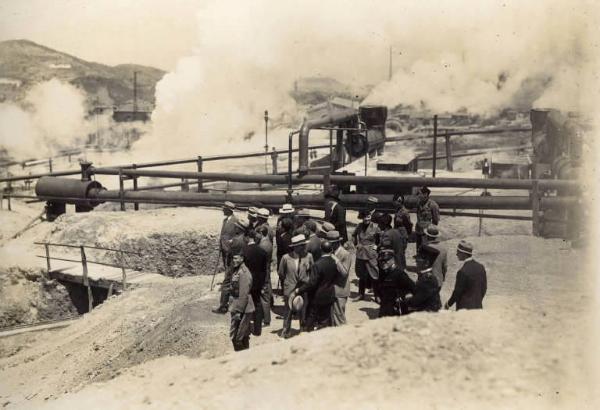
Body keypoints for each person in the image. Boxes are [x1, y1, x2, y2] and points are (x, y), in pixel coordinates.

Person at [294, 240, 339, 331]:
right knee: (325, 320)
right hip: (329, 295)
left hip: (317, 297)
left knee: (311, 318)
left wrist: (299, 290)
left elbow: (312, 283)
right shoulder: (334, 262)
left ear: (321, 250)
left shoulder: (317, 264)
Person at [277, 234, 314, 338]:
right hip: (290, 288)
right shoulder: (286, 258)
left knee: (303, 310)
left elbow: (312, 271)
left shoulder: (309, 256)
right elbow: (281, 273)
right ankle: (286, 331)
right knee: (288, 311)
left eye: (304, 245)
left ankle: (303, 329)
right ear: (295, 246)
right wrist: (288, 282)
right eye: (301, 246)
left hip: (304, 288)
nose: (303, 247)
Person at [445, 241, 487, 310]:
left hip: (464, 309)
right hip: (478, 307)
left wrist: (448, 304)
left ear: (463, 254)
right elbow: (484, 288)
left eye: (458, 252)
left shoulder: (462, 271)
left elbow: (457, 292)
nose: (456, 254)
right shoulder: (481, 267)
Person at [401, 245, 442, 313]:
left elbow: (416, 301)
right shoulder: (425, 275)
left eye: (419, 259)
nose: (416, 261)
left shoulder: (428, 279)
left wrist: (405, 299)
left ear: (426, 263)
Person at [377, 248, 415, 317]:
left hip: (397, 309)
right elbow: (380, 287)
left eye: (386, 260)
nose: (383, 263)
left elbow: (413, 288)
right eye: (381, 261)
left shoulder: (399, 274)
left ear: (393, 260)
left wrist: (403, 297)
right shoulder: (382, 273)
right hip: (384, 307)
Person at [243, 230, 268, 336]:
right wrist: (262, 283)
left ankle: (246, 329)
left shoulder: (244, 251)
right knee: (257, 304)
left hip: (246, 282)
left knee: (245, 305)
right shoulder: (263, 252)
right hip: (258, 282)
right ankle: (258, 330)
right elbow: (264, 270)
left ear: (248, 237)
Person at [228, 253, 255, 351]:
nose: (233, 260)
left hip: (243, 309)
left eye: (236, 258)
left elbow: (244, 294)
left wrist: (239, 311)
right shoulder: (237, 270)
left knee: (238, 336)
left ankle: (242, 359)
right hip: (238, 307)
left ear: (242, 258)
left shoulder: (243, 273)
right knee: (240, 335)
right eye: (232, 258)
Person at [352, 210, 380, 300]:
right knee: (361, 275)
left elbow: (380, 238)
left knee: (374, 274)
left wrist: (376, 247)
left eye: (368, 216)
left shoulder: (375, 227)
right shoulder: (359, 226)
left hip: (371, 254)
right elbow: (353, 235)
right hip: (360, 254)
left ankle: (377, 295)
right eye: (364, 217)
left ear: (370, 217)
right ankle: (361, 294)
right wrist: (356, 244)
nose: (366, 219)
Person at [329, 230, 352, 326]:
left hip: (340, 291)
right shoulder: (331, 252)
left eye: (331, 243)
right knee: (332, 318)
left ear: (336, 243)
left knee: (339, 319)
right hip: (332, 290)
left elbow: (344, 273)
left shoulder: (345, 254)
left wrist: (336, 260)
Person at [257, 225, 274, 326]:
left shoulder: (263, 246)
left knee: (264, 296)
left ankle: (266, 319)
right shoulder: (268, 242)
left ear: (261, 233)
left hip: (263, 273)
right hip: (266, 271)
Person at [422, 226, 447, 290]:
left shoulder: (424, 248)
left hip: (427, 281)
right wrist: (443, 277)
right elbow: (444, 266)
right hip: (438, 281)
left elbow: (421, 266)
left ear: (427, 236)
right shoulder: (443, 249)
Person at [415, 186, 440, 251]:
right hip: (419, 230)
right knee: (418, 249)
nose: (419, 196)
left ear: (425, 194)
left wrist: (431, 232)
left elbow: (436, 220)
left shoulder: (433, 205)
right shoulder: (419, 203)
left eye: (420, 194)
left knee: (427, 249)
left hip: (427, 233)